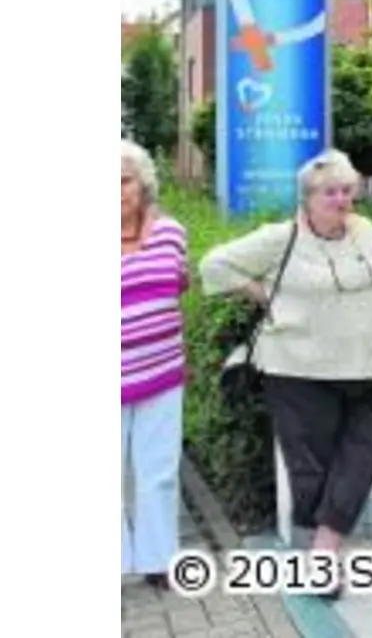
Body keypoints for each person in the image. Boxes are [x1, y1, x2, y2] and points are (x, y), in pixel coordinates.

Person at [200, 150, 372, 599]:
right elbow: (214, 265)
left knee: (364, 459)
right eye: (331, 192)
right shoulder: (283, 237)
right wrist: (263, 295)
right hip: (298, 370)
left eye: (347, 190)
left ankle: (322, 544)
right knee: (310, 469)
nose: (342, 199)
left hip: (366, 366)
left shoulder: (365, 231)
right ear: (308, 197)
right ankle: (321, 558)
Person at [122, 139, 188, 589]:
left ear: (143, 184)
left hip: (162, 372)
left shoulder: (172, 232)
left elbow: (178, 286)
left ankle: (158, 559)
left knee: (159, 472)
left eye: (123, 181)